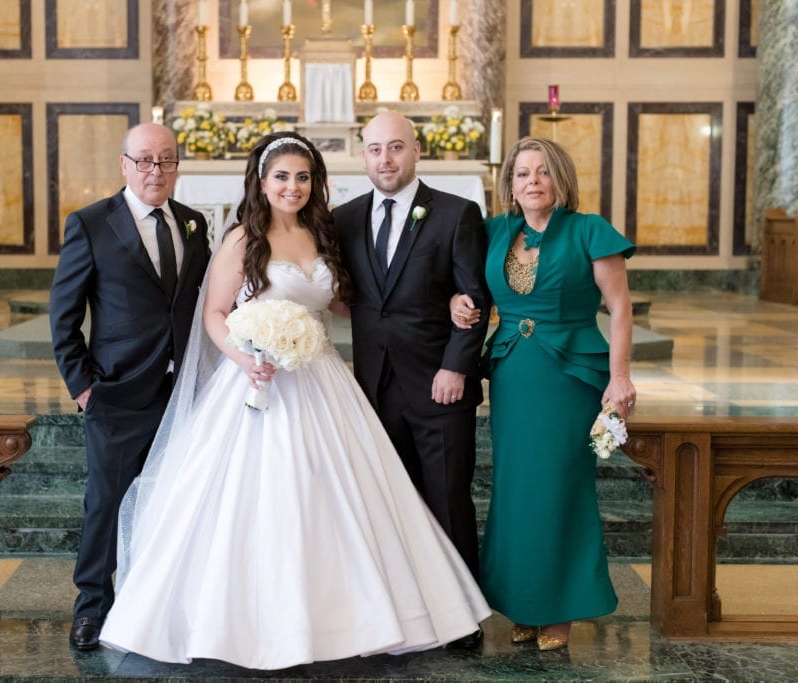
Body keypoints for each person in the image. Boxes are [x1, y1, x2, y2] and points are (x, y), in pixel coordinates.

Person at [97, 132, 490, 670]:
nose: (293, 187)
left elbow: (356, 302)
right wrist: (245, 358)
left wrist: (442, 297)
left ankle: (358, 618)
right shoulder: (242, 239)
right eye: (282, 177)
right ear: (262, 182)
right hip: (257, 381)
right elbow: (213, 314)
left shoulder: (324, 235)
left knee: (344, 497)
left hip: (323, 378)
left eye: (303, 177)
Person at [451, 136, 636, 651]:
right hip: (512, 371)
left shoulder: (589, 231)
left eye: (542, 172)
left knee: (560, 486)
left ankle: (559, 610)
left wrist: (620, 377)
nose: (531, 181)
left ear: (560, 179)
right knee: (514, 488)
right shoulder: (494, 231)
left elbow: (620, 309)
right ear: (510, 185)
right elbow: (465, 283)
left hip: (570, 375)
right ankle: (525, 605)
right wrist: (458, 302)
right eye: (521, 174)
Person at [331, 111, 492, 649]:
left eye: (395, 148)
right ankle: (407, 609)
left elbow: (476, 295)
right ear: (363, 156)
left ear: (416, 150)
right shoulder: (345, 219)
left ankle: (464, 615)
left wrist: (456, 366)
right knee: (391, 502)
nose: (385, 160)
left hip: (438, 383)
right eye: (375, 150)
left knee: (447, 496)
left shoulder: (456, 214)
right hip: (371, 388)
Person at [49, 122, 210, 651]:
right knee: (107, 503)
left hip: (182, 392)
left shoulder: (193, 224)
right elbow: (64, 317)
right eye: (144, 160)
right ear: (124, 164)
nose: (155, 171)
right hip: (116, 392)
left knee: (174, 503)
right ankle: (92, 607)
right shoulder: (91, 224)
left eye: (166, 160)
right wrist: (84, 387)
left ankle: (158, 607)